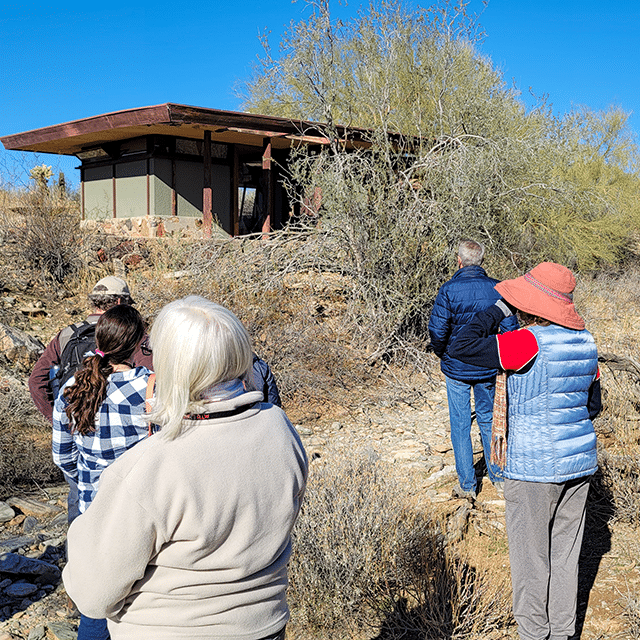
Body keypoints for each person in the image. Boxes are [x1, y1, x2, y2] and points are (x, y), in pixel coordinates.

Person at [62, 296, 308, 640]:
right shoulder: (280, 430)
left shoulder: (147, 468)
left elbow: (93, 596)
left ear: (171, 365)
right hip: (265, 625)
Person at [449, 262, 601, 640]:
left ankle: (534, 634)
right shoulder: (587, 342)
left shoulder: (527, 342)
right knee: (565, 556)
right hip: (579, 463)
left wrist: (498, 309)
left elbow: (461, 345)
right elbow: (593, 405)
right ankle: (563, 633)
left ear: (530, 305)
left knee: (530, 561)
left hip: (533, 468)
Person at [52, 304, 153, 640]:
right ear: (139, 342)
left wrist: (86, 480)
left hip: (92, 511)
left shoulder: (72, 388)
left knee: (96, 604)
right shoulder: (153, 389)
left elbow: (63, 457)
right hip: (145, 512)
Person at [428, 239, 519, 498]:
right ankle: (498, 476)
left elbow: (437, 330)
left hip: (456, 367)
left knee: (459, 424)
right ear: (482, 261)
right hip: (487, 365)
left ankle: (467, 485)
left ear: (459, 260)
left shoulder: (448, 290)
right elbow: (510, 328)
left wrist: (443, 353)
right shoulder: (497, 289)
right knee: (489, 419)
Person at [29, 276, 153, 422]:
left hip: (78, 425)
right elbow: (150, 382)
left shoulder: (67, 334)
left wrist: (57, 420)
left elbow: (36, 380)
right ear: (120, 302)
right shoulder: (132, 335)